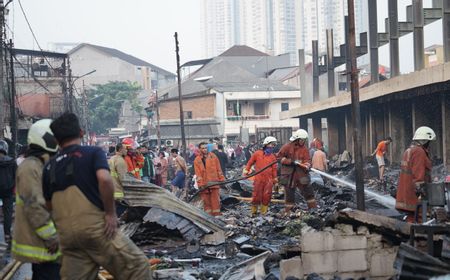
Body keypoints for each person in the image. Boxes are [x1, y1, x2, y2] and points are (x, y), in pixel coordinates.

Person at [42, 113, 150, 279]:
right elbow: (105, 179)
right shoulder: (92, 153)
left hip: (67, 236)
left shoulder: (49, 166)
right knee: (137, 267)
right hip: (95, 230)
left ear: (56, 140)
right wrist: (110, 214)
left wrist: (56, 233)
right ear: (81, 132)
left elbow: (48, 205)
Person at [12, 119, 61, 278]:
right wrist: (51, 236)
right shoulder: (30, 167)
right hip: (42, 244)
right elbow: (34, 206)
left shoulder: (41, 164)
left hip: (46, 246)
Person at [395, 127, 435, 223]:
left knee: (412, 219)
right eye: (429, 141)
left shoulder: (409, 150)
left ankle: (411, 236)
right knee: (422, 219)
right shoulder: (419, 152)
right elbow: (418, 174)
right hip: (415, 196)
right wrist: (422, 193)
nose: (430, 144)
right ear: (425, 140)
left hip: (407, 194)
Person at [277, 129, 317, 212]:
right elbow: (278, 157)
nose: (303, 142)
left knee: (309, 192)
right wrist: (289, 162)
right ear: (297, 139)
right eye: (301, 140)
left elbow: (308, 160)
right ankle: (289, 212)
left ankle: (313, 209)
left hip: (301, 174)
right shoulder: (287, 147)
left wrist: (307, 165)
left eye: (304, 140)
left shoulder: (305, 149)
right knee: (289, 195)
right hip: (289, 175)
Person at [244, 136, 278, 217]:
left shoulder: (273, 157)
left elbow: (274, 170)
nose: (273, 146)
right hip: (259, 179)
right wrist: (246, 170)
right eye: (271, 144)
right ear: (266, 144)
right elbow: (250, 162)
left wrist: (275, 181)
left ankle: (263, 213)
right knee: (256, 196)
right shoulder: (257, 154)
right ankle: (254, 212)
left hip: (268, 180)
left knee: (267, 196)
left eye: (274, 145)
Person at [194, 142, 225, 216]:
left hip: (214, 183)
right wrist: (200, 184)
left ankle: (217, 217)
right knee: (207, 204)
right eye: (203, 148)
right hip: (204, 185)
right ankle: (209, 218)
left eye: (206, 148)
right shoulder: (197, 160)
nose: (205, 149)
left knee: (215, 203)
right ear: (199, 149)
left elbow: (219, 169)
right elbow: (198, 174)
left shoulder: (213, 156)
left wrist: (222, 179)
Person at [0, 139, 16, 244]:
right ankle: (7, 234)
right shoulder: (12, 162)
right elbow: (17, 176)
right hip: (8, 191)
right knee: (7, 213)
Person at [108, 143, 128, 216]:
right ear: (120, 149)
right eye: (125, 149)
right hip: (119, 193)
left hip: (111, 191)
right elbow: (124, 178)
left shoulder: (111, 159)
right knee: (121, 214)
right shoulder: (120, 160)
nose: (126, 150)